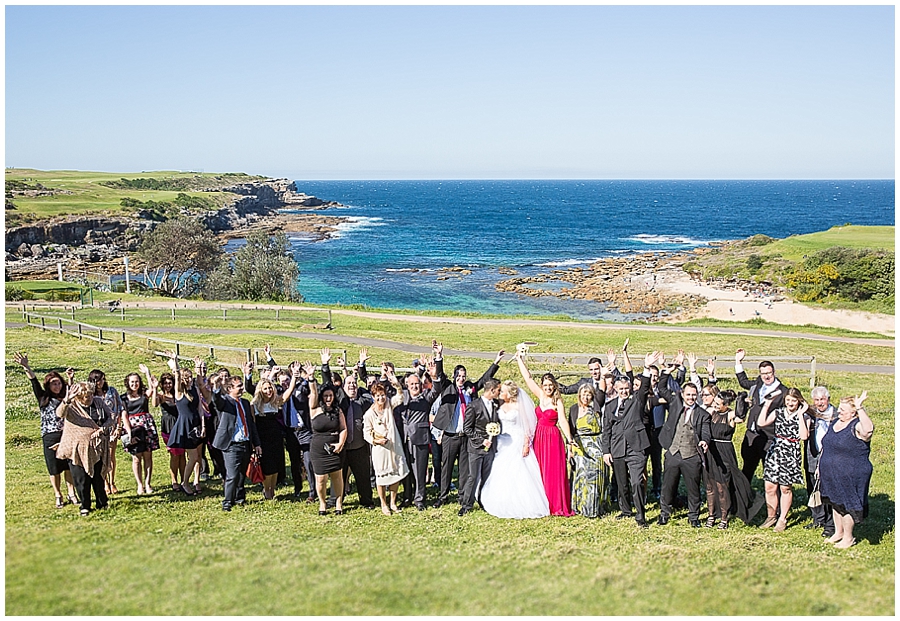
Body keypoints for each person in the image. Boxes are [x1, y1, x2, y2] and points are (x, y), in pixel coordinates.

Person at [431, 351, 503, 508]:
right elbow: (440, 374)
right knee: (447, 468)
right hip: (450, 435)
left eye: (464, 376)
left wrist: (496, 362)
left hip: (466, 436)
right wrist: (439, 357)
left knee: (464, 469)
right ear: (455, 376)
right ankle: (443, 496)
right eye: (459, 376)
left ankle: (463, 496)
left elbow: (484, 379)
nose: (461, 379)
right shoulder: (448, 387)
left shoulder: (470, 389)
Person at [515, 347, 575, 517]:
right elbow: (527, 378)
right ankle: (540, 502)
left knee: (553, 472)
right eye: (546, 385)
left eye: (551, 385)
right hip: (539, 437)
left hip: (553, 438)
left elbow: (562, 421)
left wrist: (569, 439)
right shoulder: (540, 395)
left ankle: (555, 504)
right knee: (539, 470)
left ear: (555, 386)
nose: (548, 388)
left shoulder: (558, 402)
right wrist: (519, 358)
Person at [479, 380, 550, 519]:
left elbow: (527, 425)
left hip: (516, 440)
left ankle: (520, 501)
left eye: (503, 391)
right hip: (501, 441)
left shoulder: (519, 406)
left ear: (509, 394)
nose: (500, 393)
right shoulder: (499, 405)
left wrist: (525, 444)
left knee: (517, 470)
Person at [14, 353, 78, 508]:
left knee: (68, 465)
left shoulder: (65, 397)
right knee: (54, 467)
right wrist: (26, 366)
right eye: (54, 384)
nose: (57, 386)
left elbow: (71, 394)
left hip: (66, 435)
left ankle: (72, 493)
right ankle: (58, 494)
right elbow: (33, 381)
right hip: (49, 435)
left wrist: (70, 379)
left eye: (59, 383)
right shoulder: (43, 398)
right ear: (48, 385)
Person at [600, 351, 656, 528]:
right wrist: (606, 451)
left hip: (636, 448)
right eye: (621, 389)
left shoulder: (637, 401)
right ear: (615, 389)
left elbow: (645, 386)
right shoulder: (609, 407)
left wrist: (646, 368)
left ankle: (641, 516)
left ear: (631, 388)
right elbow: (606, 430)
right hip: (617, 448)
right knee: (622, 482)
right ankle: (625, 510)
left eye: (627, 388)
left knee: (636, 482)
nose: (624, 391)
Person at [819, 392, 874, 549]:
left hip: (852, 473)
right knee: (835, 502)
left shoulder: (856, 425)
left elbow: (868, 431)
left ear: (853, 412)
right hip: (830, 472)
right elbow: (826, 446)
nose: (839, 412)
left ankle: (848, 538)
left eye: (843, 410)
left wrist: (860, 407)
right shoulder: (835, 422)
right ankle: (839, 532)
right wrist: (819, 467)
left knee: (847, 504)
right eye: (840, 409)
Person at [656, 369, 710, 528]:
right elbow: (662, 389)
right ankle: (664, 513)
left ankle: (693, 517)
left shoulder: (703, 414)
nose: (691, 398)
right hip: (673, 452)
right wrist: (666, 372)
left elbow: (705, 431)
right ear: (682, 394)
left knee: (693, 489)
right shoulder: (674, 404)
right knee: (668, 486)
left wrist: (705, 441)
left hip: (691, 455)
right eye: (688, 395)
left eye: (694, 395)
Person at [394, 341, 445, 510]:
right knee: (406, 471)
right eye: (411, 384)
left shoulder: (426, 397)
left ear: (421, 385)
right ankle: (407, 497)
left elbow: (437, 388)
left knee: (419, 471)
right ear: (407, 386)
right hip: (403, 440)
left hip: (420, 440)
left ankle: (419, 500)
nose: (414, 386)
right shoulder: (404, 396)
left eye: (417, 384)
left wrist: (438, 361)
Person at [704, 390, 763, 528]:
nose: (716, 405)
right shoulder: (711, 412)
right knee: (709, 485)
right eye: (715, 402)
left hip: (724, 452)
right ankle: (711, 515)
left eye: (719, 404)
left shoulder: (730, 415)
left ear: (726, 405)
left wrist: (742, 400)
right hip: (711, 451)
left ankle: (724, 517)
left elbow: (741, 416)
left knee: (722, 486)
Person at [55, 381, 116, 516]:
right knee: (81, 479)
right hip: (76, 449)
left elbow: (111, 416)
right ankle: (85, 505)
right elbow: (60, 414)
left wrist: (102, 429)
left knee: (98, 477)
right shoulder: (72, 406)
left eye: (90, 395)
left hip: (97, 447)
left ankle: (102, 503)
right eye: (85, 397)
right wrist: (67, 400)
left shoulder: (98, 402)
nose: (88, 399)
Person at [757, 387, 810, 532]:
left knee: (785, 487)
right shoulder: (778, 412)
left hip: (790, 453)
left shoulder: (804, 417)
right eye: (788, 400)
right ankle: (771, 516)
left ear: (799, 401)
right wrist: (767, 403)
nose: (790, 403)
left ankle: (782, 519)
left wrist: (800, 414)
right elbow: (761, 422)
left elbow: (804, 436)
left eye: (793, 400)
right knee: (770, 486)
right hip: (776, 450)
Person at [211, 375, 261, 511]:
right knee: (232, 475)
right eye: (239, 386)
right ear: (229, 389)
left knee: (241, 474)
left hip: (244, 442)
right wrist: (216, 387)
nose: (242, 389)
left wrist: (256, 443)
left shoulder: (244, 403)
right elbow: (216, 401)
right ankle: (227, 502)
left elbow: (250, 424)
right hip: (231, 445)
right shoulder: (225, 402)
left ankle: (240, 498)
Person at [165, 354, 212, 497]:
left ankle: (194, 481)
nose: (190, 379)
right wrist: (176, 363)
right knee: (193, 456)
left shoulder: (195, 390)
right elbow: (177, 377)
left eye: (191, 377)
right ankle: (185, 482)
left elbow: (199, 408)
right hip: (184, 425)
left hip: (195, 424)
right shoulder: (179, 392)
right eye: (188, 377)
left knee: (197, 456)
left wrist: (203, 425)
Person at [735, 349, 785, 483]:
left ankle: (774, 502)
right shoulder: (758, 384)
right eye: (763, 374)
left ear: (774, 372)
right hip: (751, 435)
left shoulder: (783, 392)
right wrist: (738, 362)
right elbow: (744, 382)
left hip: (769, 437)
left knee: (770, 473)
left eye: (769, 373)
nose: (766, 376)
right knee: (747, 470)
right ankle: (744, 500)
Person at [250, 366, 299, 501]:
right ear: (260, 390)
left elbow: (289, 391)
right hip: (263, 439)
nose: (268, 391)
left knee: (277, 465)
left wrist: (294, 376)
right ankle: (267, 490)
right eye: (265, 388)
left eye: (270, 388)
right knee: (267, 466)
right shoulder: (254, 405)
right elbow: (253, 425)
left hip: (276, 438)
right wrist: (255, 443)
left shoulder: (275, 402)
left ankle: (272, 489)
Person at [305, 360, 348, 515]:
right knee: (321, 479)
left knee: (337, 477)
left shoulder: (338, 411)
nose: (328, 398)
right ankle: (322, 504)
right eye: (325, 396)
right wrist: (311, 378)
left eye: (330, 395)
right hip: (318, 449)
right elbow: (314, 392)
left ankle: (338, 504)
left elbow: (343, 428)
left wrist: (340, 444)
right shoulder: (314, 409)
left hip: (335, 448)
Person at [363, 380, 409, 515]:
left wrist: (398, 387)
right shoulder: (369, 414)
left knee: (395, 475)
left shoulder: (389, 405)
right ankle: (383, 504)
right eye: (377, 396)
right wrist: (376, 441)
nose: (381, 398)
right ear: (373, 397)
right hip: (380, 450)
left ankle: (393, 502)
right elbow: (366, 433)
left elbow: (400, 398)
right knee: (382, 478)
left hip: (394, 446)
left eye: (382, 395)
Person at [459, 378, 502, 516]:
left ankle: (483, 501)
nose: (499, 393)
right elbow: (467, 429)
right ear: (492, 390)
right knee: (473, 476)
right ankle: (466, 504)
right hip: (476, 448)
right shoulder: (474, 406)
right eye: (498, 390)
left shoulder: (496, 404)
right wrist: (482, 440)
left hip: (490, 449)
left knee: (486, 476)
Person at [568, 383, 609, 518]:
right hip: (579, 447)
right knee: (580, 477)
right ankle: (579, 506)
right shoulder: (574, 409)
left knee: (594, 477)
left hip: (596, 446)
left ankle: (593, 508)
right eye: (583, 394)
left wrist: (603, 376)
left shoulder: (596, 406)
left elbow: (602, 391)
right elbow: (570, 431)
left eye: (589, 394)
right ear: (579, 395)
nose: (586, 397)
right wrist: (570, 450)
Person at [121, 366, 161, 495]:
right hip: (133, 427)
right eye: (132, 382)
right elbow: (124, 416)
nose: (134, 384)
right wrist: (129, 433)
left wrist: (148, 373)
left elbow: (152, 389)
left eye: (137, 381)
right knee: (136, 458)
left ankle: (148, 483)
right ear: (128, 383)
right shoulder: (123, 398)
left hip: (147, 426)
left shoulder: (144, 394)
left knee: (148, 456)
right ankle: (139, 485)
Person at [804, 386, 837, 538]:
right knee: (812, 487)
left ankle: (830, 525)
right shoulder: (810, 413)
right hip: (812, 454)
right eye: (816, 400)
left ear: (828, 399)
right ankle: (818, 519)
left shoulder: (837, 414)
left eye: (822, 399)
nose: (819, 403)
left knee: (828, 490)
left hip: (831, 457)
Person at [88, 369, 125, 496]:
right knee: (100, 457)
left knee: (110, 456)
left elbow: (119, 408)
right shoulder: (91, 394)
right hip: (97, 429)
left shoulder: (112, 391)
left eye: (103, 379)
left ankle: (112, 481)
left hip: (112, 428)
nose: (102, 382)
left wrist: (118, 427)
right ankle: (104, 483)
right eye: (99, 380)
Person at [156, 371, 185, 491]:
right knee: (174, 455)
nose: (168, 385)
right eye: (166, 383)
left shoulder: (178, 393)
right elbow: (155, 403)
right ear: (162, 385)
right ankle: (174, 480)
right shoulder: (160, 396)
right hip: (168, 426)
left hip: (180, 425)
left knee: (182, 454)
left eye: (170, 383)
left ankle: (184, 479)